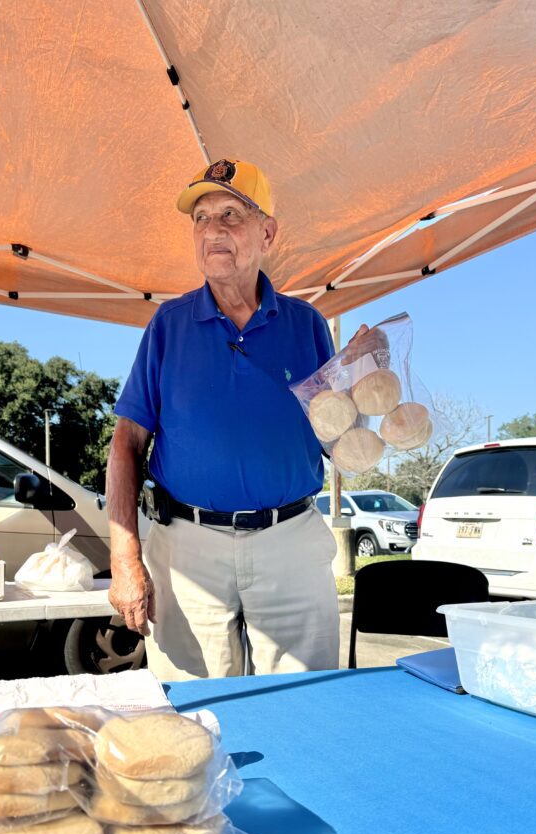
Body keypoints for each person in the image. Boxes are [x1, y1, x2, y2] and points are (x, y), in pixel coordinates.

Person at [107, 158, 385, 682]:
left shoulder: (306, 326)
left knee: (304, 704)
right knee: (194, 715)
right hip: (186, 548)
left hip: (291, 543)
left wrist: (362, 376)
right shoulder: (168, 325)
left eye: (231, 214)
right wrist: (126, 559)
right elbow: (125, 446)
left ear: (267, 232)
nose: (213, 230)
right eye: (202, 218)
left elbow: (343, 445)